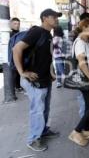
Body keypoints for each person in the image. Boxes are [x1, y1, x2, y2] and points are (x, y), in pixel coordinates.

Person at [13, 9, 61, 152]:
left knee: (45, 109)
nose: (56, 19)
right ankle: (33, 139)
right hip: (34, 81)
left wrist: (52, 72)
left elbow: (47, 57)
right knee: (37, 111)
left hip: (45, 79)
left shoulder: (48, 35)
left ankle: (43, 131)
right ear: (45, 18)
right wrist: (22, 72)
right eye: (54, 17)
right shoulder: (37, 32)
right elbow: (16, 49)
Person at [68, 18, 89, 146]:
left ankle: (86, 131)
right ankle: (76, 132)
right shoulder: (80, 42)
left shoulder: (85, 42)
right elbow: (81, 63)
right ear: (84, 28)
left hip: (88, 78)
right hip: (85, 80)